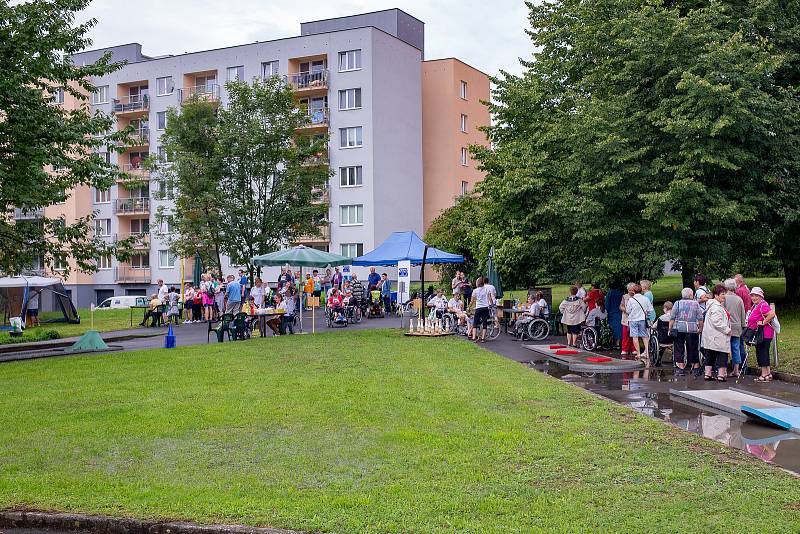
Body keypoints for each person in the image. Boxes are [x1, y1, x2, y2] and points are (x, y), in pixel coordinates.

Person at [669, 288, 704, 376]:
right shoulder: (696, 303)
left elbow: (672, 317)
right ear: (691, 295)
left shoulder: (677, 303)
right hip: (692, 329)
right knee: (693, 347)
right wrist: (700, 328)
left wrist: (670, 328)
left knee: (679, 347)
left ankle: (681, 368)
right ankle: (695, 367)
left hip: (679, 328)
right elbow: (700, 318)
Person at [701, 285, 732, 382]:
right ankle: (721, 375)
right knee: (722, 354)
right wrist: (727, 330)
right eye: (722, 294)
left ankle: (708, 374)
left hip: (712, 336)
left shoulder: (713, 305)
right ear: (716, 295)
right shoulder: (716, 307)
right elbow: (717, 322)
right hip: (717, 335)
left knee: (710, 354)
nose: (724, 296)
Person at [748, 287, 776, 382]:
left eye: (756, 296)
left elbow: (772, 314)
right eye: (752, 295)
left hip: (765, 333)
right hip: (761, 333)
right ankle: (768, 373)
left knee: (762, 352)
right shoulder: (756, 305)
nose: (754, 297)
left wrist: (763, 322)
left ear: (761, 296)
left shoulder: (762, 305)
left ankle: (764, 374)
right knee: (763, 352)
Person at [723, 278, 747, 378]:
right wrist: (743, 325)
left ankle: (723, 370)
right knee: (735, 348)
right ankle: (736, 370)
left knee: (723, 348)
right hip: (737, 327)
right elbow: (743, 314)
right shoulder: (739, 299)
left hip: (726, 326)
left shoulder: (724, 298)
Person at [626, 284, 654, 363]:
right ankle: (647, 353)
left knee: (635, 337)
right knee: (644, 336)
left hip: (633, 320)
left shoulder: (631, 300)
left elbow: (628, 311)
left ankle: (638, 353)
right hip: (642, 319)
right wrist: (645, 313)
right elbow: (650, 309)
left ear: (633, 291)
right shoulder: (645, 299)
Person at [471, 277, 494, 343]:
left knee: (475, 322)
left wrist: (469, 306)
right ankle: (483, 338)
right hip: (485, 307)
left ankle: (473, 337)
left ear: (477, 283)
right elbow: (490, 298)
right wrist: (492, 305)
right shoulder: (487, 289)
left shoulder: (475, 290)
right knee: (485, 322)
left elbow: (472, 300)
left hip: (478, 308)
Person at [619, 283, 636, 357]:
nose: (632, 291)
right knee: (625, 334)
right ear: (628, 290)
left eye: (633, 289)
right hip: (626, 318)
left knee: (634, 334)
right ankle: (624, 349)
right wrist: (626, 310)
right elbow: (621, 306)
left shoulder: (637, 296)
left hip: (635, 318)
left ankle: (634, 349)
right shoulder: (624, 297)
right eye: (630, 289)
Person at [605, 283, 624, 349]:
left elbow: (607, 304)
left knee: (613, 328)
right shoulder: (621, 293)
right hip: (620, 313)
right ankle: (619, 342)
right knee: (619, 327)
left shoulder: (609, 294)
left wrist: (606, 311)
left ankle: (615, 342)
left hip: (612, 313)